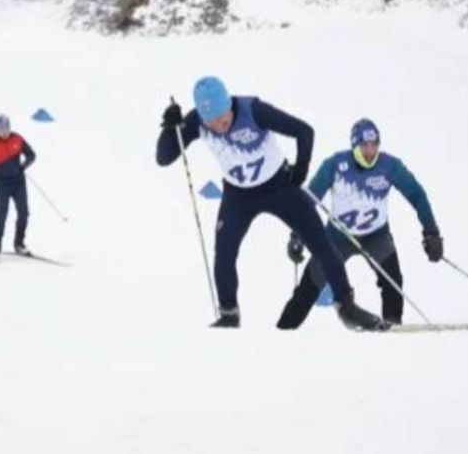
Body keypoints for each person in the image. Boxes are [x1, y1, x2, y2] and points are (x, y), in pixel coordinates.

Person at [156, 77, 387, 331]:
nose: (220, 127)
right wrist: (170, 128)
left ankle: (347, 308)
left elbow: (304, 131)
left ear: (228, 105)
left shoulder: (252, 110)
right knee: (224, 254)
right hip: (238, 196)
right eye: (212, 123)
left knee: (322, 243)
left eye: (223, 119)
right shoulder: (197, 121)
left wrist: (301, 169)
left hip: (279, 187)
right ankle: (229, 315)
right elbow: (164, 157)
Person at [277, 118, 442, 329]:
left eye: (374, 145)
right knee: (309, 287)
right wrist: (296, 236)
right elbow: (309, 199)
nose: (370, 151)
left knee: (392, 281)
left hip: (376, 236)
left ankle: (393, 328)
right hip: (338, 237)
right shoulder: (335, 165)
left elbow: (416, 195)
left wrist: (431, 232)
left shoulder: (390, 167)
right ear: (355, 146)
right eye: (365, 145)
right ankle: (283, 331)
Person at [0, 114, 37, 260]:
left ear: (10, 127)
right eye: (0, 128)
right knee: (1, 216)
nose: (4, 131)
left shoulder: (17, 139)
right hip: (2, 185)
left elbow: (31, 155)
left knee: (24, 213)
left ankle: (19, 243)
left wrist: (23, 166)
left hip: (18, 183)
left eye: (6, 128)